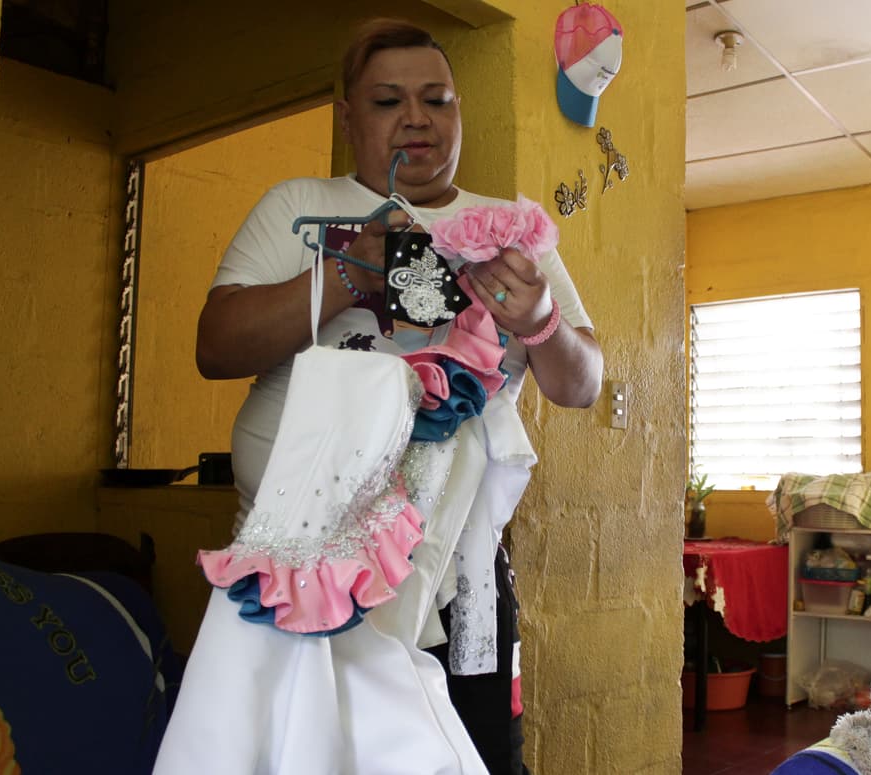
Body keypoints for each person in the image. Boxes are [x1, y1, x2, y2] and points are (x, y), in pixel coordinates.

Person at [152, 18, 602, 775]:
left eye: (437, 99)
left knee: (475, 758)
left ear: (459, 111)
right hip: (301, 571)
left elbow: (583, 384)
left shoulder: (511, 234)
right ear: (348, 118)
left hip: (458, 585)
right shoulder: (299, 204)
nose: (416, 118)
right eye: (389, 100)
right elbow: (215, 346)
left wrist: (540, 321)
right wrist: (344, 274)